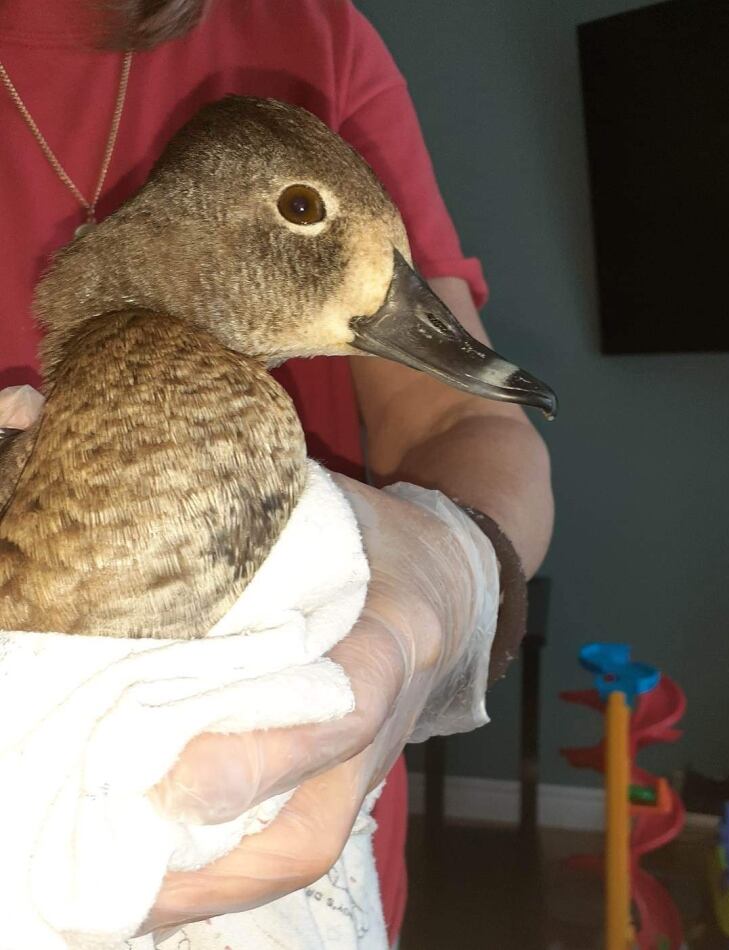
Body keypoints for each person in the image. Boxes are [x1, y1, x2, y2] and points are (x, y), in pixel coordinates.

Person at [0, 0, 554, 944]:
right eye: (303, 212)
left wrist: (442, 578)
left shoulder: (311, 33)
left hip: (315, 819)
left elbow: (465, 416)